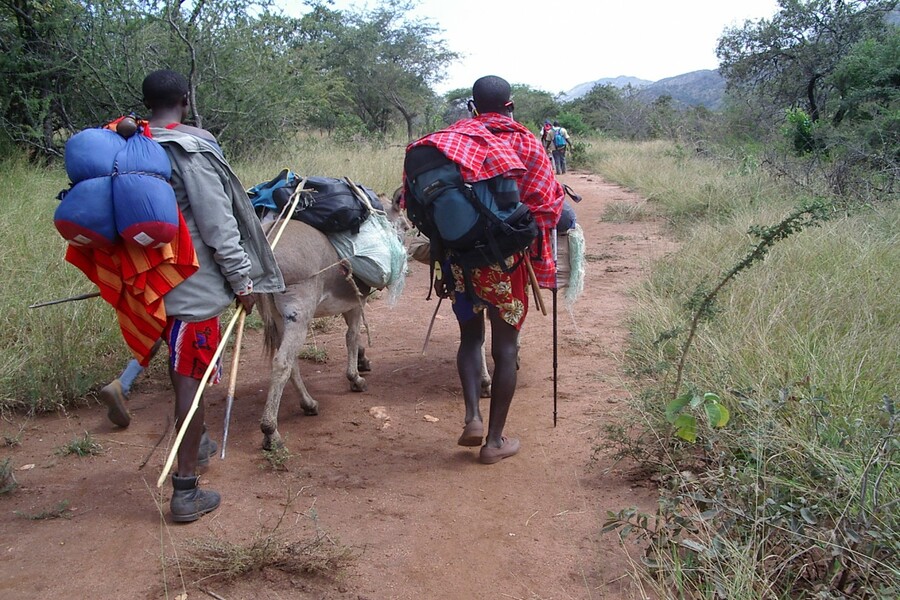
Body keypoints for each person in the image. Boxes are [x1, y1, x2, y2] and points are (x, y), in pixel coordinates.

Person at [141, 69, 283, 522]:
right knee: (192, 384)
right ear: (185, 99)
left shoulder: (137, 145)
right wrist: (244, 283)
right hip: (194, 292)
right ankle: (185, 490)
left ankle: (197, 443)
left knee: (181, 369)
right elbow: (220, 226)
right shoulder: (190, 150)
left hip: (151, 286)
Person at [404, 75, 564, 464]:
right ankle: (494, 442)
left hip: (459, 261)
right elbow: (547, 204)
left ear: (473, 107)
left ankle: (472, 417)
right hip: (508, 265)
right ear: (509, 105)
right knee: (505, 349)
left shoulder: (447, 141)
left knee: (470, 340)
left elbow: (414, 205)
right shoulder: (525, 140)